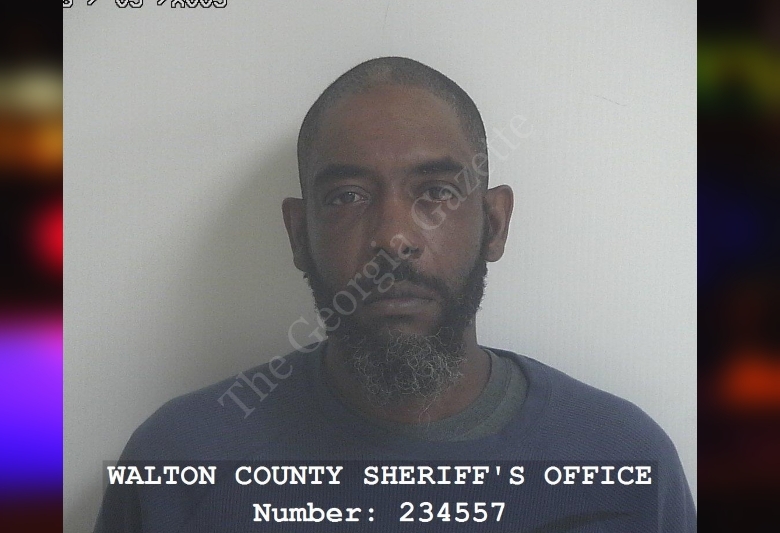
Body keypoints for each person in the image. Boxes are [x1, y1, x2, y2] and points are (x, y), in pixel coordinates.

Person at [95, 57, 696, 532]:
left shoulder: (624, 463)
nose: (393, 237)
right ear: (299, 235)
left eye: (436, 191)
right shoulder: (178, 462)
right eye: (347, 197)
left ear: (494, 224)